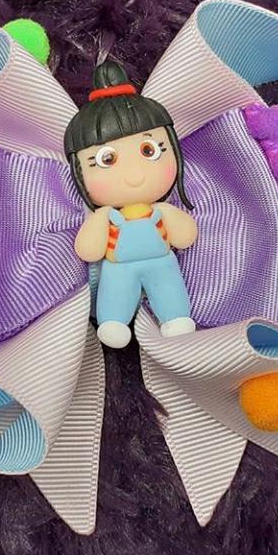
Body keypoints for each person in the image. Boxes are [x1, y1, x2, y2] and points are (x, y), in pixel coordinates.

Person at [64, 60, 197, 348]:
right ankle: (113, 321)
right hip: (118, 267)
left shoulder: (161, 211)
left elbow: (185, 237)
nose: (135, 175)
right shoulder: (107, 216)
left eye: (149, 150)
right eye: (107, 159)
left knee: (169, 289)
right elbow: (88, 250)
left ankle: (175, 317)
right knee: (115, 292)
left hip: (162, 262)